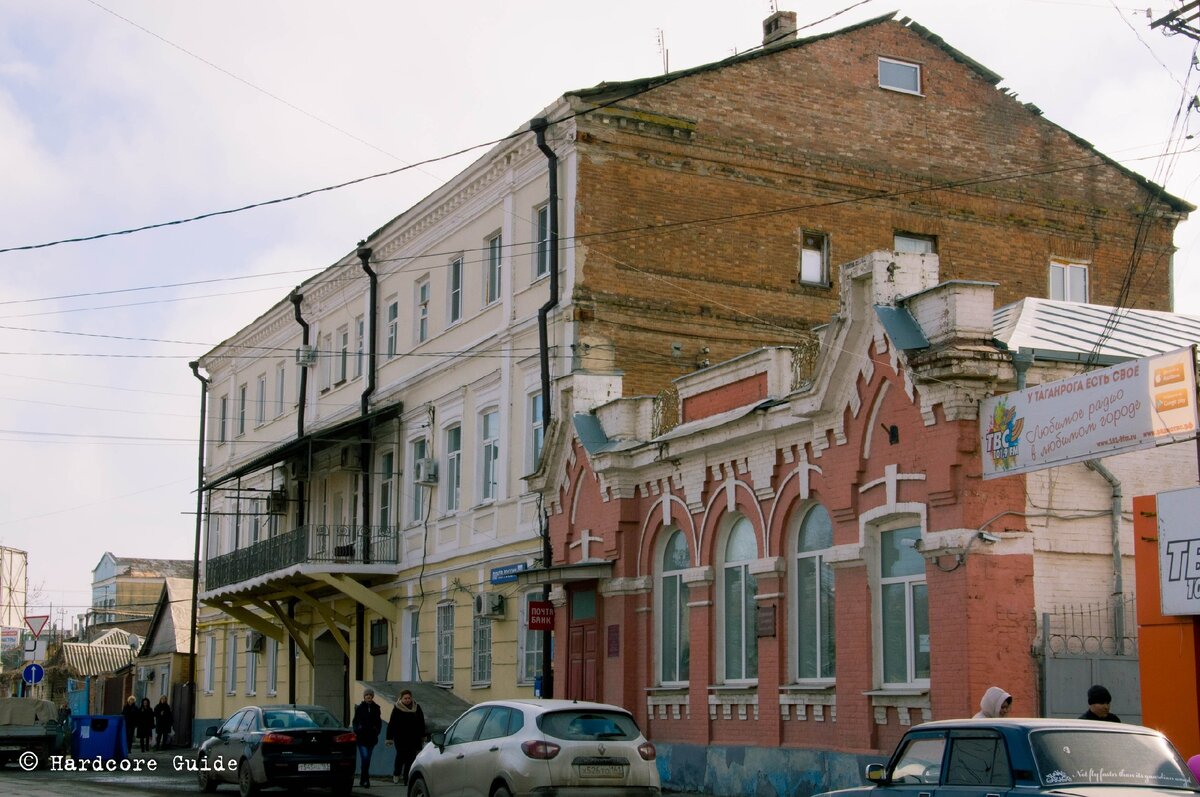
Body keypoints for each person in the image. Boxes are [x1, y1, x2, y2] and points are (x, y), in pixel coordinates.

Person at [386, 689, 426, 785]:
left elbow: (421, 722)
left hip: (413, 738)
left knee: (411, 759)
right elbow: (392, 723)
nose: (407, 700)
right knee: (401, 757)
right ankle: (396, 773)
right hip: (401, 738)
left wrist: (422, 735)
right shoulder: (397, 708)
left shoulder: (417, 708)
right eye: (405, 698)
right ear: (401, 699)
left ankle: (406, 778)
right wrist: (389, 738)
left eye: (409, 698)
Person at [351, 688, 382, 788]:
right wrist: (357, 729)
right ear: (364, 697)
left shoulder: (376, 708)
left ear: (372, 697)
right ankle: (366, 779)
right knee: (365, 758)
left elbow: (379, 722)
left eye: (370, 695)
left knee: (367, 759)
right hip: (361, 738)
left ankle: (362, 779)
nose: (368, 697)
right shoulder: (360, 708)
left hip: (371, 738)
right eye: (366, 695)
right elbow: (355, 721)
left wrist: (376, 731)